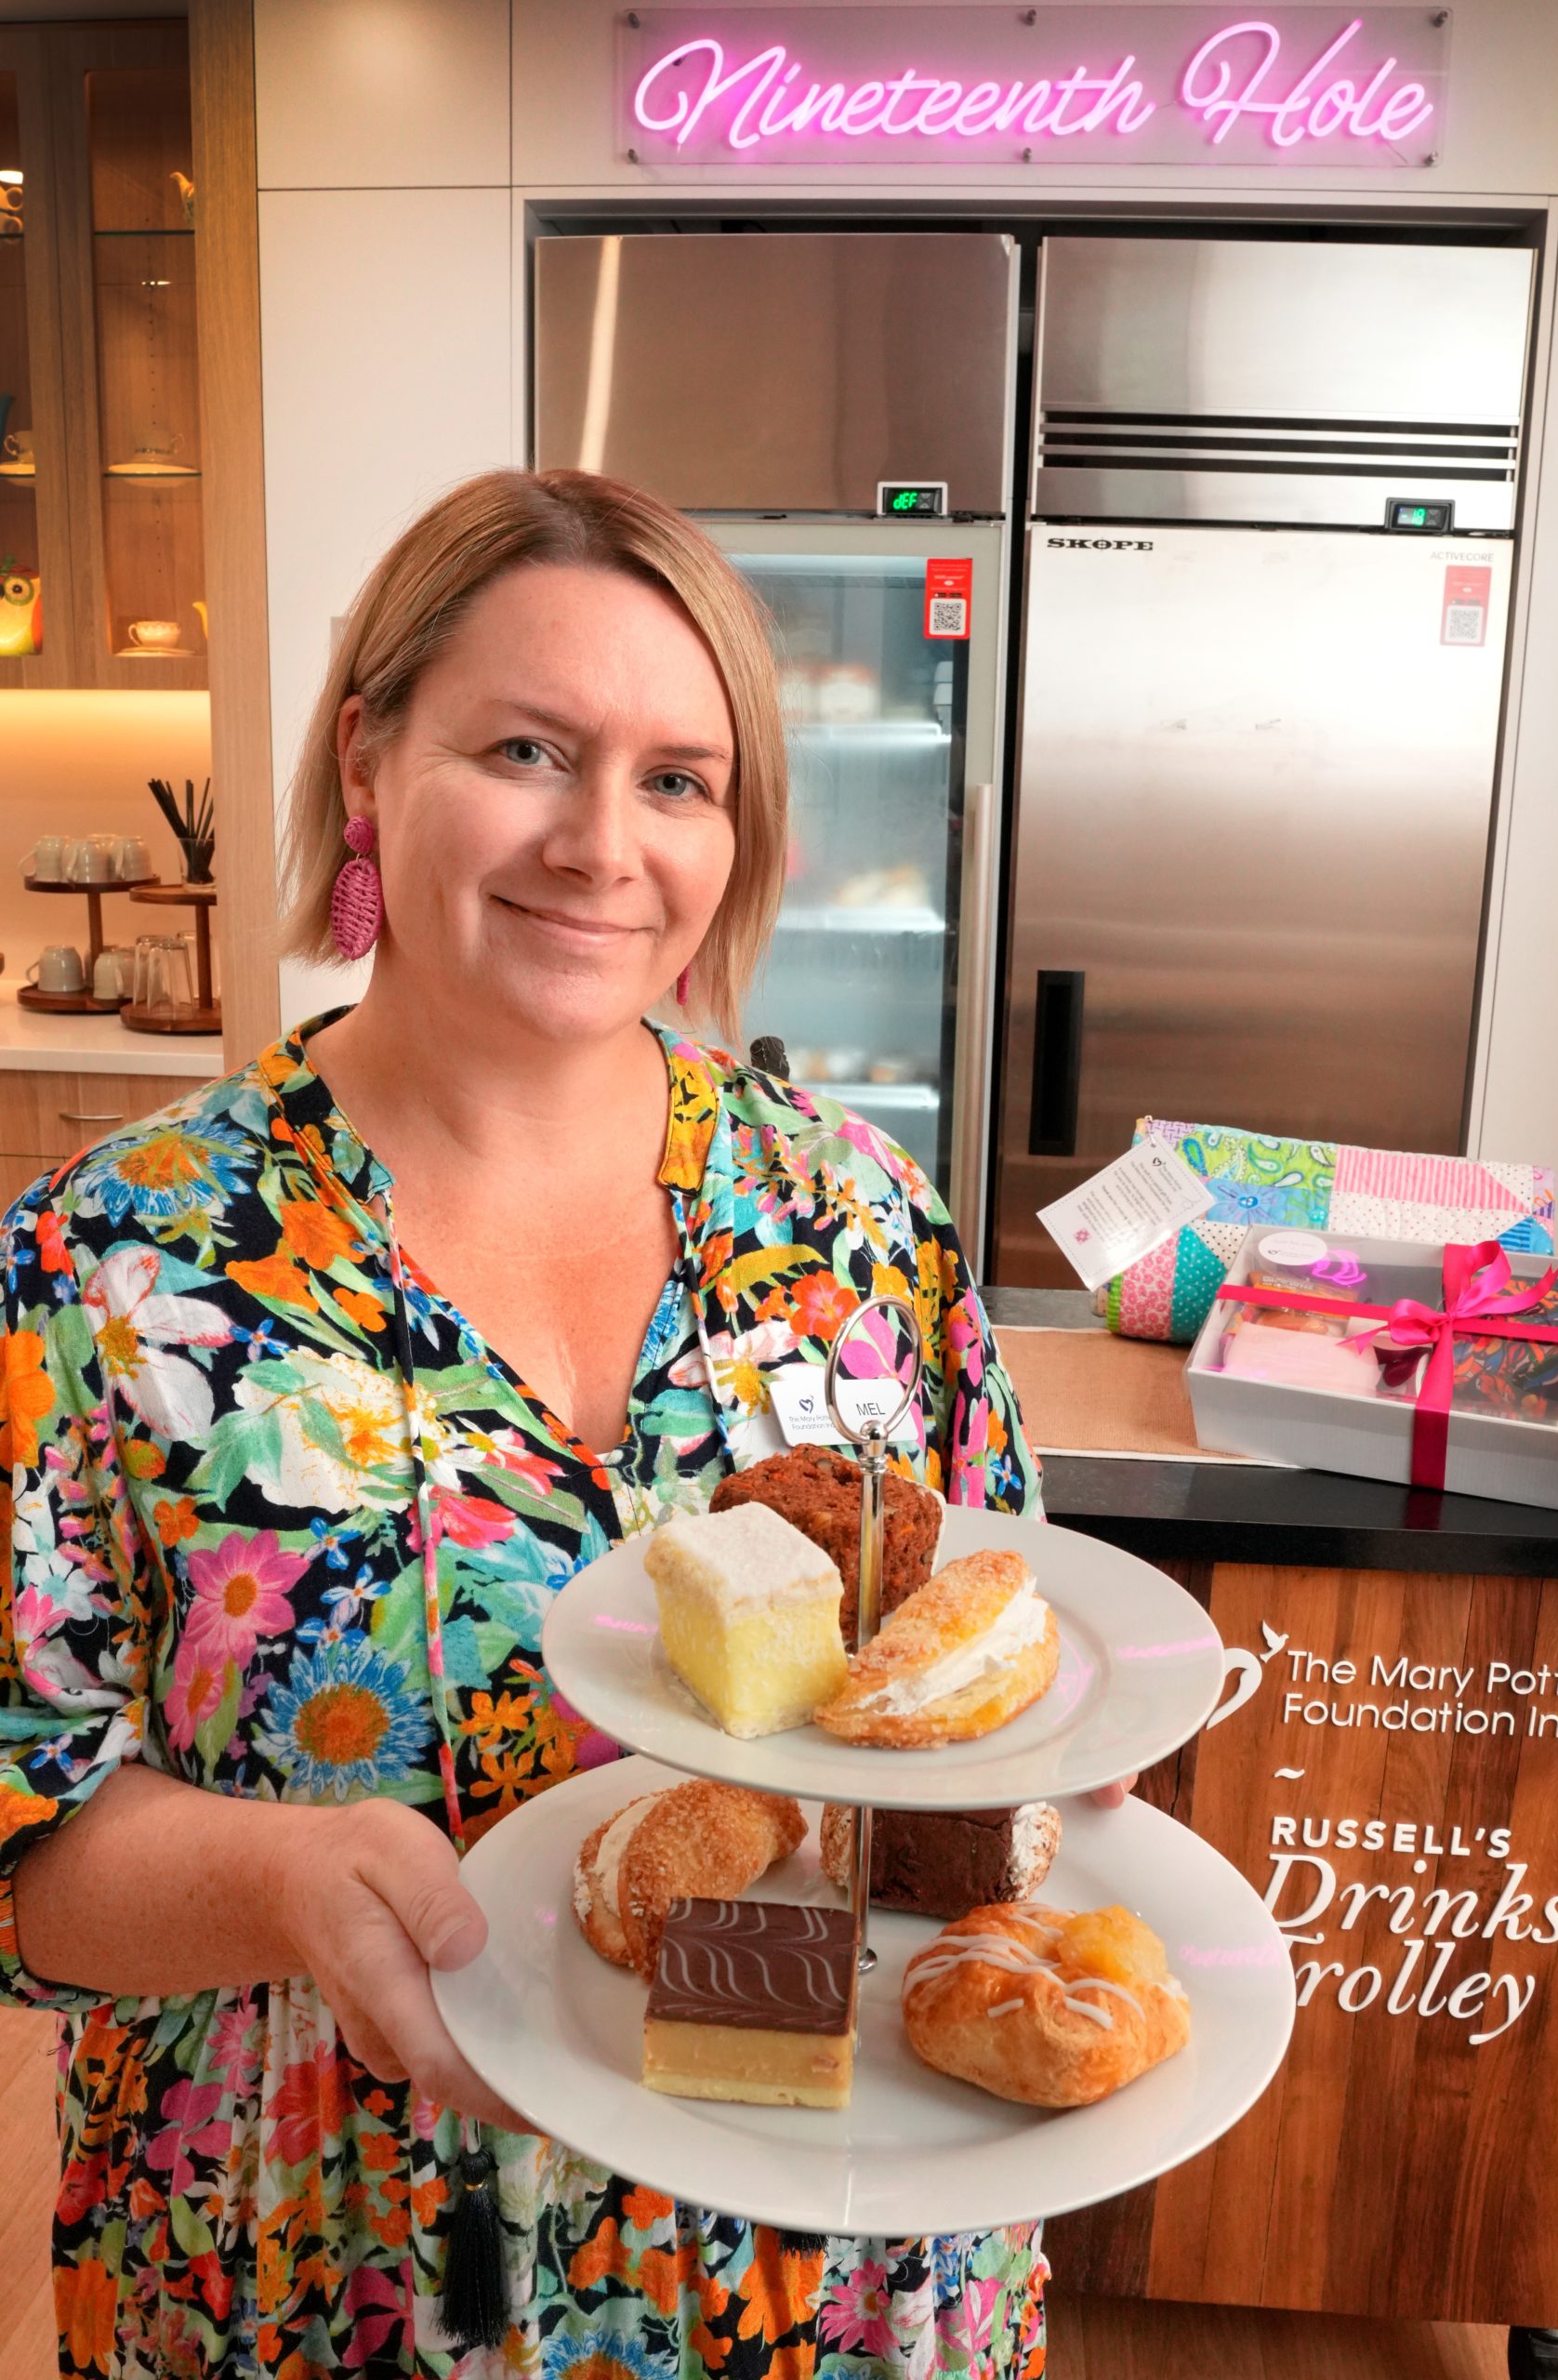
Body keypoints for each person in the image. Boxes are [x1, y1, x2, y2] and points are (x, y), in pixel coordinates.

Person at [0, 468, 1114, 2379]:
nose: (604, 846)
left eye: (678, 779)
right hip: (331, 2275)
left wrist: (1064, 1770)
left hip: (835, 2276)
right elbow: (22, 1841)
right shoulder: (111, 1265)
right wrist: (276, 1882)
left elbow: (1002, 1670)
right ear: (368, 757)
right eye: (527, 750)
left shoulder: (860, 1229)